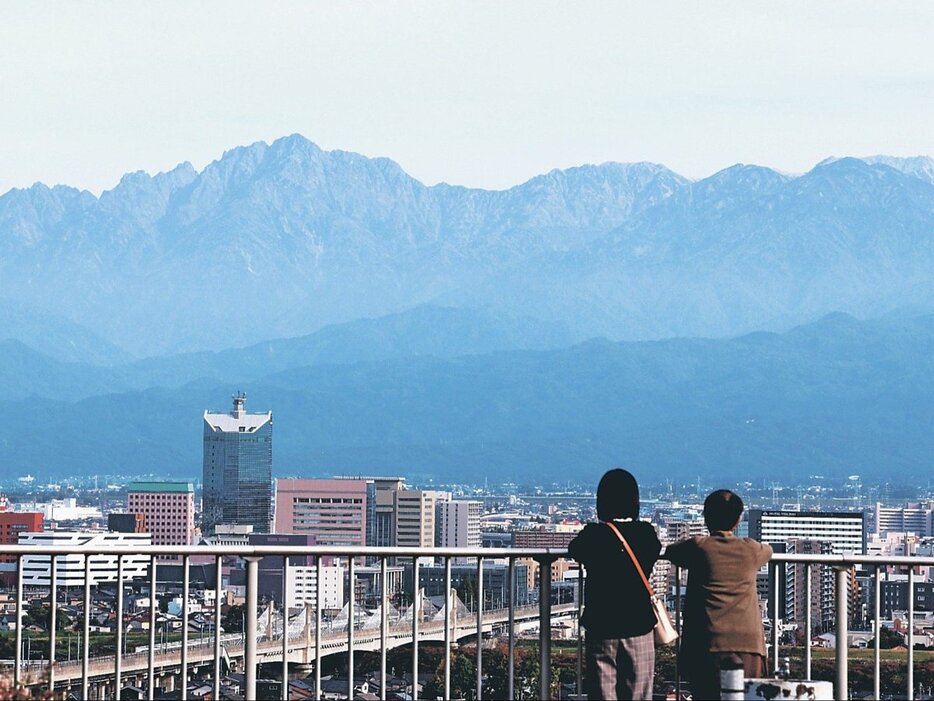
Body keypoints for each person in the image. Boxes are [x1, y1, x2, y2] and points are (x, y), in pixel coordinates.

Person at [666, 489, 773, 700]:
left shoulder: (699, 547)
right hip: (748, 645)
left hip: (706, 643)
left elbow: (671, 552)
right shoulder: (751, 550)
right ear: (738, 519)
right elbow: (768, 551)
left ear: (706, 517)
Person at [569, 468, 662, 700]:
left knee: (602, 693)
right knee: (639, 693)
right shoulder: (646, 535)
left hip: (602, 626)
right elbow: (656, 549)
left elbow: (575, 549)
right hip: (639, 625)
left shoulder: (594, 536)